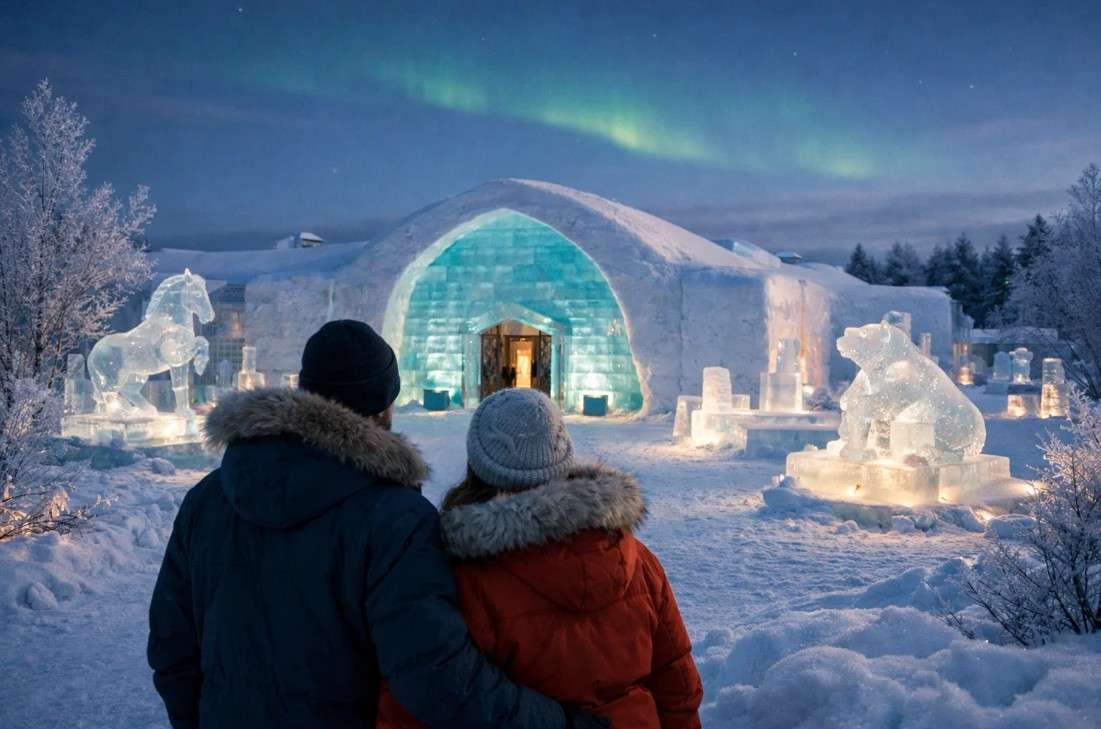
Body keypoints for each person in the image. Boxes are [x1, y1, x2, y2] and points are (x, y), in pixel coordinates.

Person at [147, 320, 607, 728]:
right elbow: (437, 676)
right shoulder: (395, 520)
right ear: (385, 406)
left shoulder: (209, 499)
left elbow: (173, 649)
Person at [378, 388, 703, 729]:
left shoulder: (463, 581)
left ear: (477, 468)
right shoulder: (636, 560)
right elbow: (677, 685)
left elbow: (428, 698)